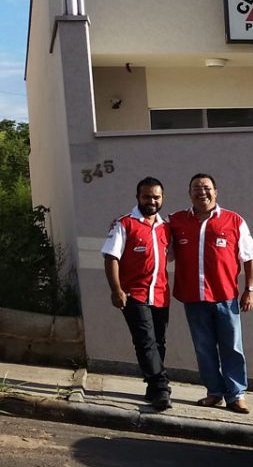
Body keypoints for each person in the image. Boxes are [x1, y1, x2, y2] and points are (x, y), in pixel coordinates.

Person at [170, 173, 253, 413]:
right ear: (189, 193)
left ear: (216, 191)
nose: (202, 192)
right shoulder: (176, 221)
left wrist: (250, 290)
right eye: (196, 188)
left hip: (226, 298)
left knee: (232, 347)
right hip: (193, 298)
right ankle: (214, 392)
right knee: (204, 348)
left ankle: (236, 395)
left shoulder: (233, 220)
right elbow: (159, 249)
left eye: (207, 187)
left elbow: (250, 257)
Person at [101, 176, 173, 411]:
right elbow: (111, 257)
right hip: (134, 295)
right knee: (145, 341)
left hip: (160, 294)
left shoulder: (166, 228)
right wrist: (116, 290)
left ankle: (152, 387)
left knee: (159, 342)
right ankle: (161, 387)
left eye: (156, 197)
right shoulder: (124, 224)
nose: (151, 201)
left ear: (162, 198)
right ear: (138, 197)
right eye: (146, 197)